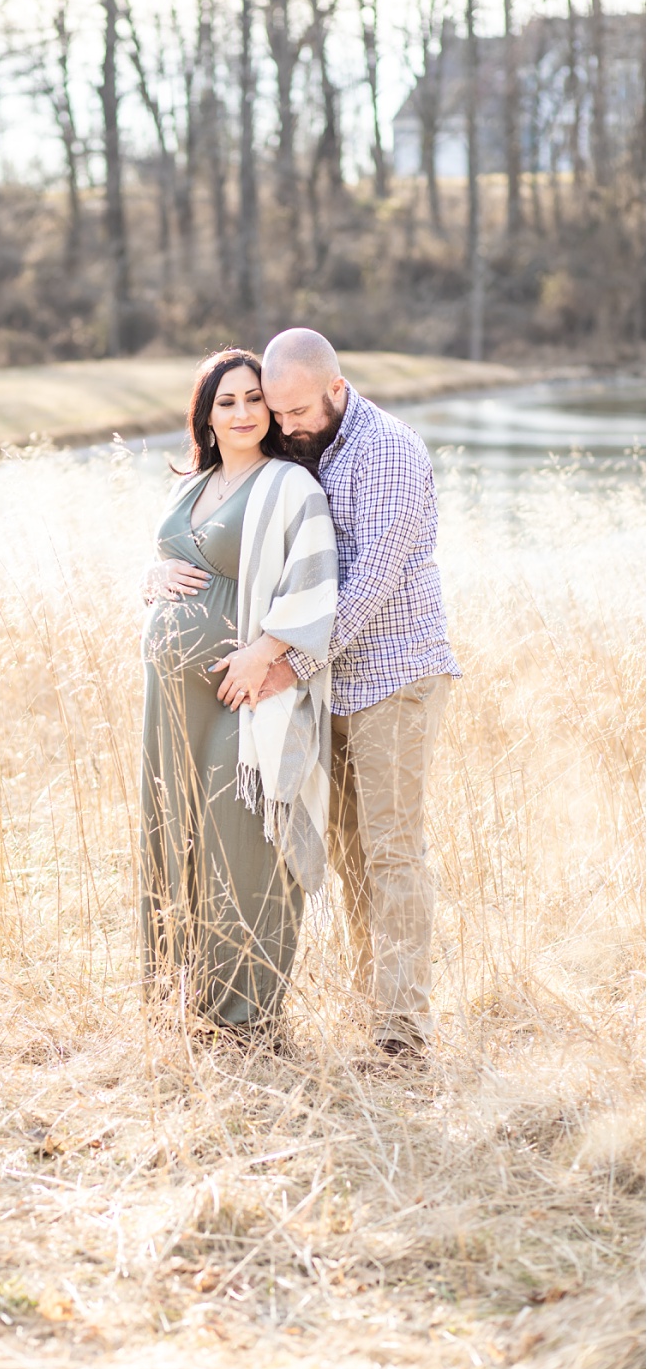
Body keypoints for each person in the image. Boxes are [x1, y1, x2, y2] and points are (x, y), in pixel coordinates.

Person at [248, 328, 462, 1063]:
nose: (286, 425)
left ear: (336, 390)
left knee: (393, 851)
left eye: (299, 410)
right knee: (344, 850)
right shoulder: (307, 446)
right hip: (332, 683)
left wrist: (289, 663)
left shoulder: (386, 452)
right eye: (277, 412)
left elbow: (367, 585)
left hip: (395, 675)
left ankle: (403, 1033)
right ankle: (374, 1003)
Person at [140, 349, 337, 1042]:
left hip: (244, 694)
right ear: (205, 412)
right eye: (226, 401)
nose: (243, 412)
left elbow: (315, 585)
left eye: (254, 398)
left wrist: (266, 651)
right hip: (170, 699)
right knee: (174, 830)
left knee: (241, 836)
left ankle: (246, 1013)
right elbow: (170, 560)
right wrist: (152, 575)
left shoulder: (288, 486)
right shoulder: (191, 484)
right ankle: (179, 995)